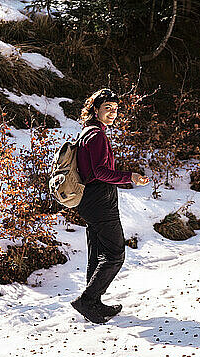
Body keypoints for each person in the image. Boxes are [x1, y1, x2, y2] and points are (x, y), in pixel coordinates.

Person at [71, 88, 149, 324]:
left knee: (97, 252)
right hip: (98, 199)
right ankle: (87, 300)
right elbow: (100, 172)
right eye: (108, 109)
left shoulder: (88, 132)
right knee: (115, 253)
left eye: (115, 109)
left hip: (90, 199)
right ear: (95, 109)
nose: (112, 113)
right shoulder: (96, 136)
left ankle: (93, 303)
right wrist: (130, 177)